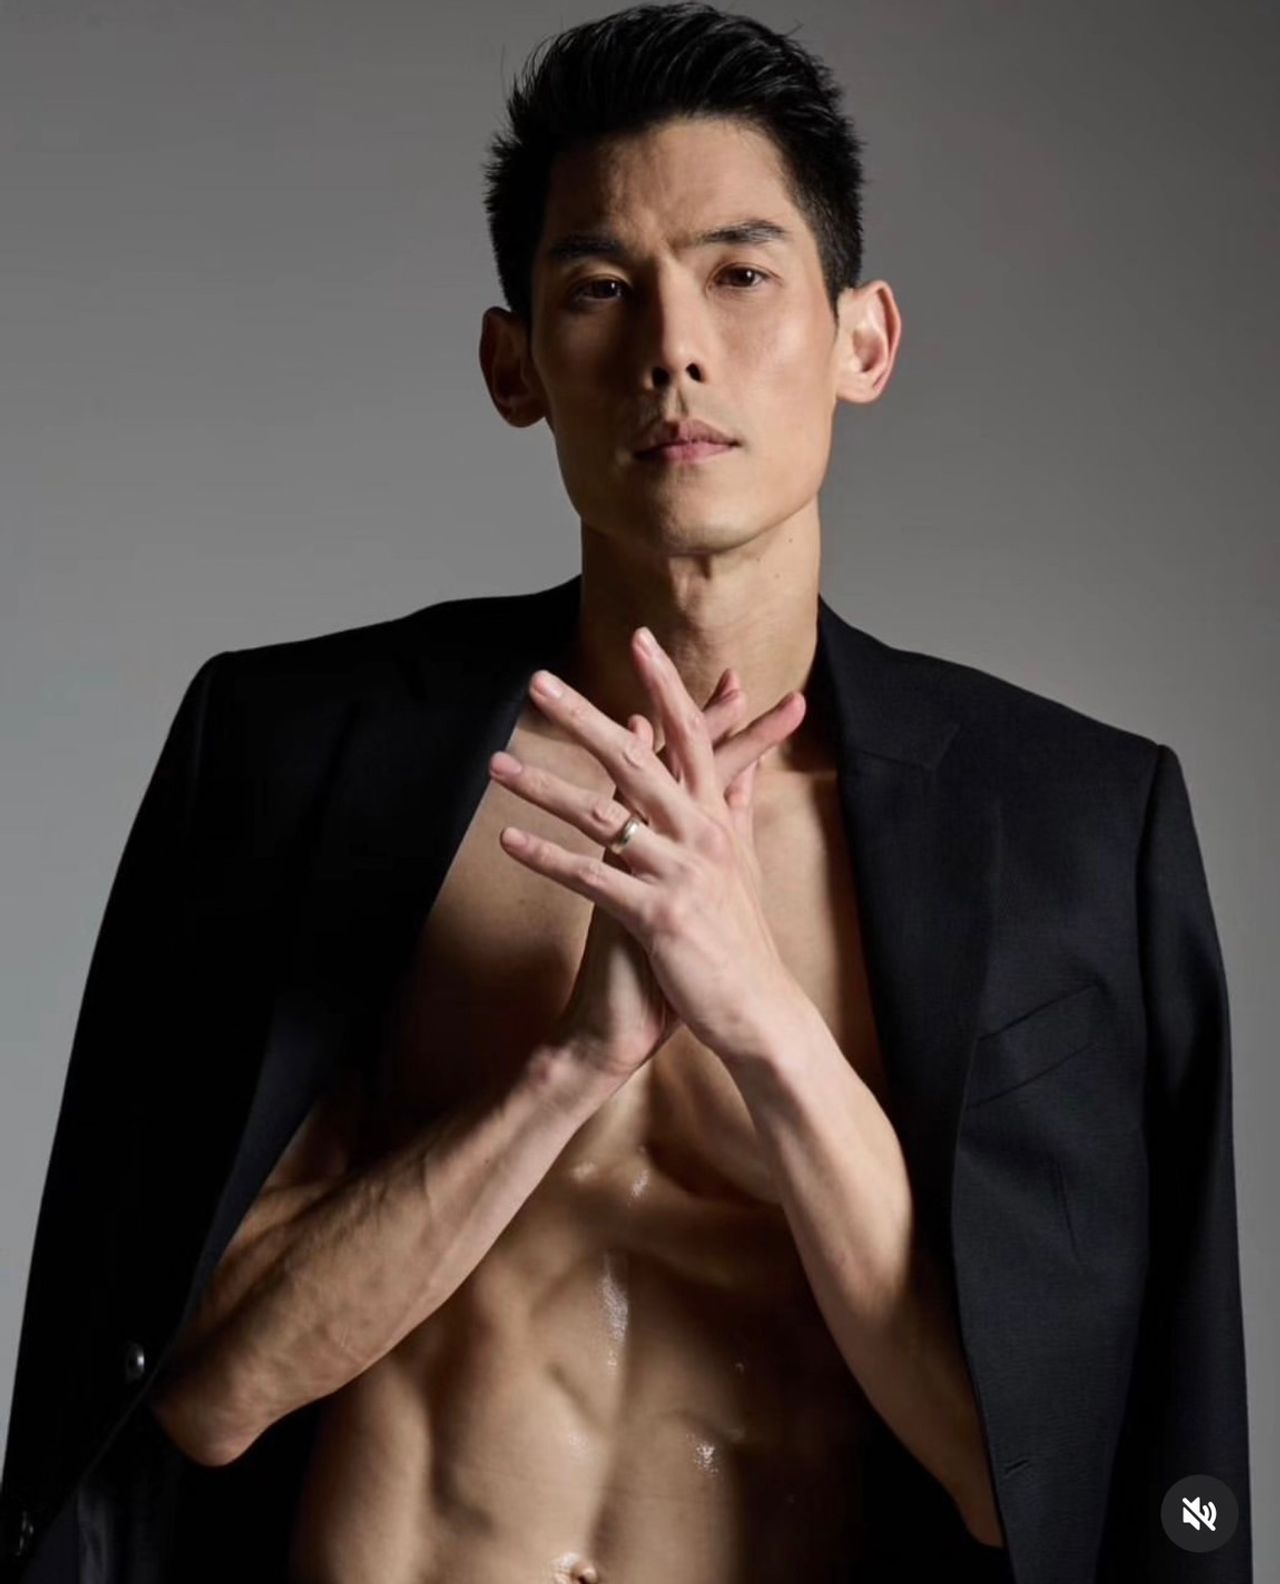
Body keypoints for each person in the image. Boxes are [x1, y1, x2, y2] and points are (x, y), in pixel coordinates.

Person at [0, 4, 1251, 1582]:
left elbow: (1030, 1485)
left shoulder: (1069, 832)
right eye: (601, 287)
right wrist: (568, 1067)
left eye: (740, 274)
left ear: (863, 341)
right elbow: (204, 1398)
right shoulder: (292, 759)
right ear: (513, 364)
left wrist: (760, 1017)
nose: (674, 348)